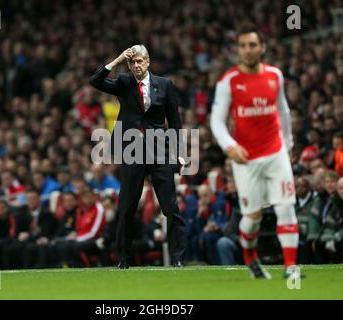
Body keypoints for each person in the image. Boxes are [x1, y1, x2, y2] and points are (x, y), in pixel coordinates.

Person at [211, 25, 299, 279]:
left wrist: (289, 145)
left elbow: (283, 111)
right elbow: (216, 121)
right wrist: (230, 146)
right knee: (252, 218)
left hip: (275, 153)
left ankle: (290, 268)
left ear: (262, 47)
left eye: (252, 45)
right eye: (243, 46)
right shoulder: (229, 81)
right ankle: (250, 257)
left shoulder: (275, 76)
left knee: (285, 207)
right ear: (238, 50)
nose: (248, 50)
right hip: (246, 158)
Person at [90, 45, 187, 268]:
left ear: (148, 61)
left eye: (140, 61)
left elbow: (174, 121)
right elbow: (95, 81)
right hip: (131, 151)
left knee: (170, 207)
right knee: (126, 207)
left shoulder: (165, 85)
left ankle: (178, 258)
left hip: (159, 151)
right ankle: (123, 259)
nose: (136, 65)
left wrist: (180, 153)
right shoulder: (124, 83)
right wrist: (116, 61)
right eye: (132, 62)